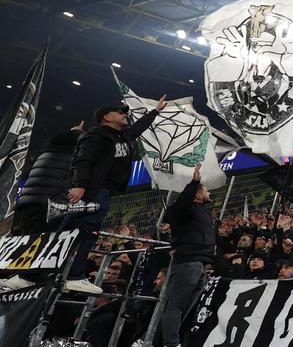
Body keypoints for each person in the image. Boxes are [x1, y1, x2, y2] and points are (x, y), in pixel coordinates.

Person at [63, 96, 167, 294]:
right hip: (93, 189)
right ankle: (73, 276)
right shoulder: (98, 135)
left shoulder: (121, 136)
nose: (124, 114)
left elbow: (138, 129)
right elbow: (83, 160)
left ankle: (45, 272)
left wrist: (156, 111)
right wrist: (80, 185)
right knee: (85, 231)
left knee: (76, 230)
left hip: (104, 191)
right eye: (119, 112)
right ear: (107, 117)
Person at [159, 164, 215, 347]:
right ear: (197, 194)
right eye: (206, 190)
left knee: (188, 309)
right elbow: (182, 203)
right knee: (177, 305)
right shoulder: (185, 209)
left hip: (200, 266)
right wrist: (194, 182)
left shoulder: (201, 213)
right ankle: (171, 343)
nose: (209, 194)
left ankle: (176, 340)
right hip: (187, 263)